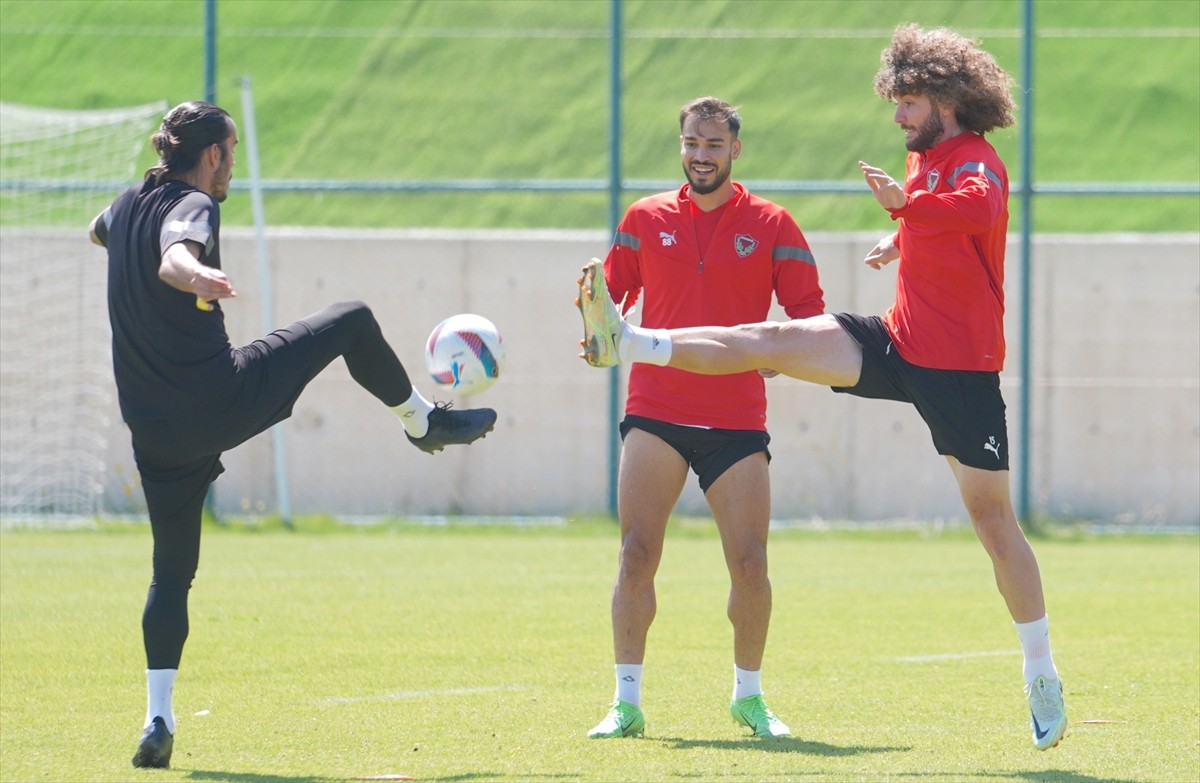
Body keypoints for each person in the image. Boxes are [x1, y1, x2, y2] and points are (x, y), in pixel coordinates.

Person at [576, 25, 1067, 751]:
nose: (897, 117)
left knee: (994, 523)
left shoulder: (977, 161)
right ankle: (639, 341)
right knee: (766, 338)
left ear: (947, 98)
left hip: (962, 373)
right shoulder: (923, 158)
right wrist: (902, 237)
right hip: (896, 343)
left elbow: (979, 211)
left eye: (908, 103)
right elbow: (934, 217)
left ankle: (1041, 669)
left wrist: (906, 213)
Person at [88, 101, 497, 769]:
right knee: (351, 319)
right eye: (232, 151)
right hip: (216, 400)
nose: (232, 165)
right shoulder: (195, 205)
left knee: (170, 575)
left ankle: (157, 718)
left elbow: (99, 230)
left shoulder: (127, 201)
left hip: (153, 428)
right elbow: (175, 258)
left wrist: (139, 250)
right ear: (214, 155)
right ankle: (423, 421)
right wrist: (196, 274)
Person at [578, 97, 824, 740]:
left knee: (749, 563)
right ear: (680, 146)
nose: (701, 155)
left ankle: (750, 697)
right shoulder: (643, 218)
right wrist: (595, 326)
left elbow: (809, 322)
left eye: (713, 145)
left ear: (735, 151)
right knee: (636, 554)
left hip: (737, 422)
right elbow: (609, 302)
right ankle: (625, 703)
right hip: (654, 411)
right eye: (692, 143)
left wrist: (778, 355)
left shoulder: (773, 223)